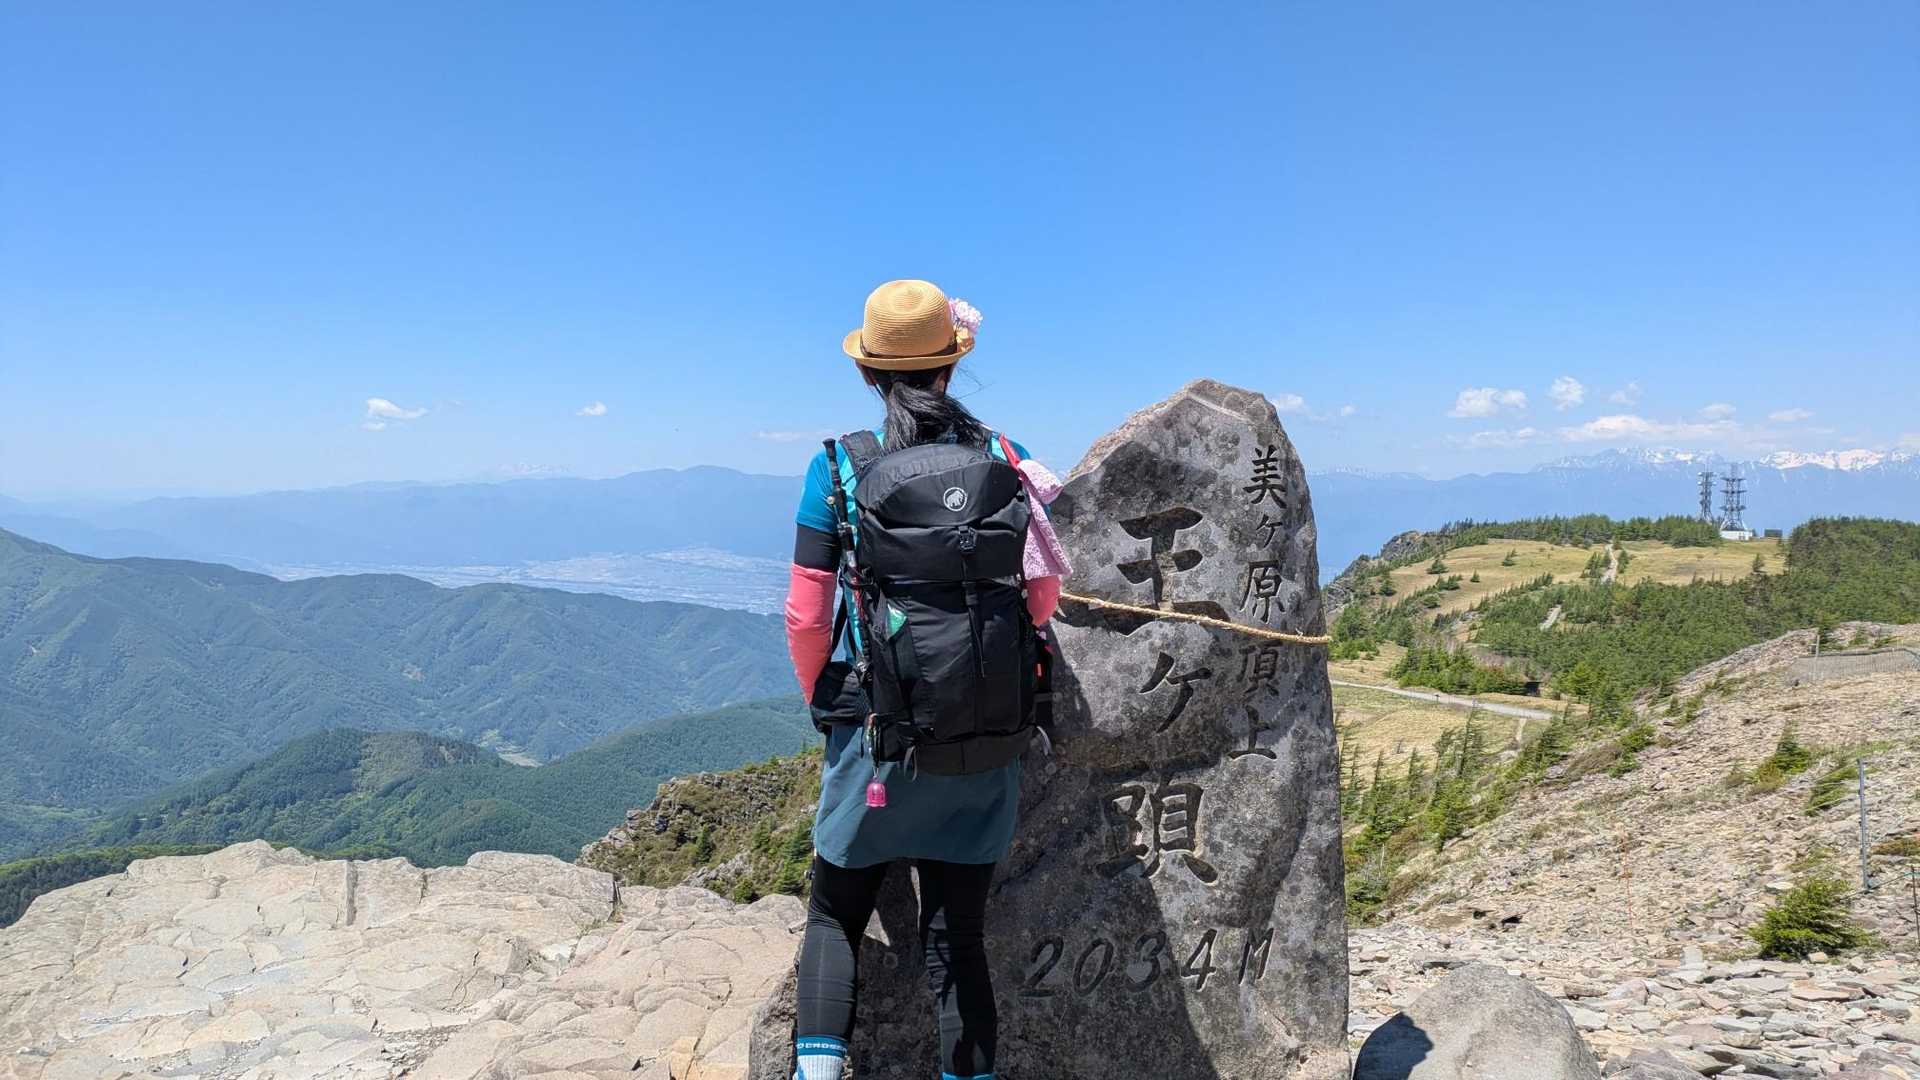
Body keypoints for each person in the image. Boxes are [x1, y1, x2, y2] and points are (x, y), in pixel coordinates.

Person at [783, 279, 1066, 1080]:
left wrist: (824, 696)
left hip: (877, 736)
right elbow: (1042, 597)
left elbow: (806, 615)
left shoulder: (838, 466)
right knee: (956, 940)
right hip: (983, 732)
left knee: (834, 918)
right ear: (951, 364)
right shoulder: (1003, 457)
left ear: (869, 372)